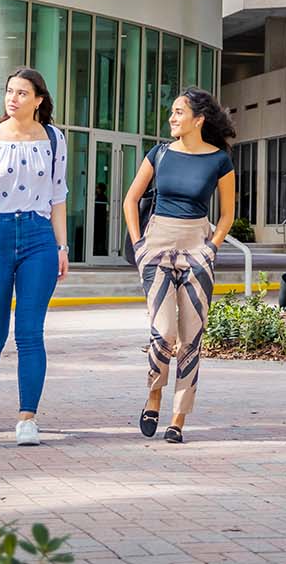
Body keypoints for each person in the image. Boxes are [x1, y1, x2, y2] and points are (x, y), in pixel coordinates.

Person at [0, 68, 69, 445]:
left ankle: (27, 418)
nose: (13, 98)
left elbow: (57, 197)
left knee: (30, 333)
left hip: (38, 238)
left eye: (22, 92)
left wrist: (61, 246)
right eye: (9, 91)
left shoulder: (54, 138)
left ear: (38, 99)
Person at [122, 86, 235, 444]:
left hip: (196, 248)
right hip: (156, 246)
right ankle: (154, 393)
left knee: (191, 337)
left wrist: (211, 249)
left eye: (178, 112)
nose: (172, 118)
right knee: (164, 332)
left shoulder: (219, 160)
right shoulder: (159, 154)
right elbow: (131, 200)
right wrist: (139, 245)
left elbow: (229, 213)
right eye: (171, 112)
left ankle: (178, 417)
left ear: (198, 119)